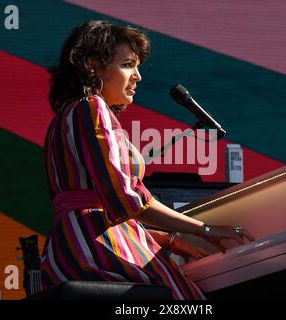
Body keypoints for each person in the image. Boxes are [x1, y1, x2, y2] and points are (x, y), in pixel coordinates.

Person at [40, 20, 254, 300]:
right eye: (128, 64)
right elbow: (127, 201)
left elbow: (100, 208)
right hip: (96, 253)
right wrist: (207, 229)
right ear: (93, 66)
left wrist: (171, 240)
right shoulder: (92, 108)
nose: (138, 76)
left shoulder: (63, 118)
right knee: (186, 300)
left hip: (67, 250)